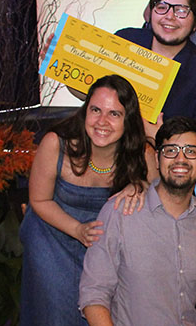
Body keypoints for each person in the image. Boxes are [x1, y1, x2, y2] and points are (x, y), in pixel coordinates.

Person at [19, 75, 152, 326]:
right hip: (52, 234)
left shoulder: (142, 153)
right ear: (85, 111)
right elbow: (39, 200)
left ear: (128, 120)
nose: (102, 121)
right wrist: (78, 229)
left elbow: (159, 197)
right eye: (95, 110)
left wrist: (140, 187)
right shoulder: (56, 143)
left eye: (114, 114)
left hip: (106, 243)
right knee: (56, 311)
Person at [79, 116, 196, 326]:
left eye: (191, 151)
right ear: (157, 159)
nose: (180, 159)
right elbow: (94, 293)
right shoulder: (120, 212)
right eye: (171, 151)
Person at [116, 0, 196, 133]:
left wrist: (155, 136)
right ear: (150, 13)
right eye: (162, 7)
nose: (169, 16)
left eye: (181, 10)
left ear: (195, 24)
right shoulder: (125, 41)